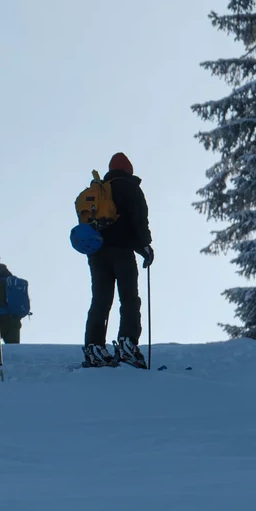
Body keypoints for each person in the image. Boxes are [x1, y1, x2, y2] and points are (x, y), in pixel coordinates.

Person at [82, 152, 153, 368]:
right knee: (129, 299)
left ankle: (94, 347)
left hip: (97, 253)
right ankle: (127, 344)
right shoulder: (130, 188)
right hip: (122, 251)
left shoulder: (100, 190)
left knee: (101, 301)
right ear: (129, 170)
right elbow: (139, 220)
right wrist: (146, 247)